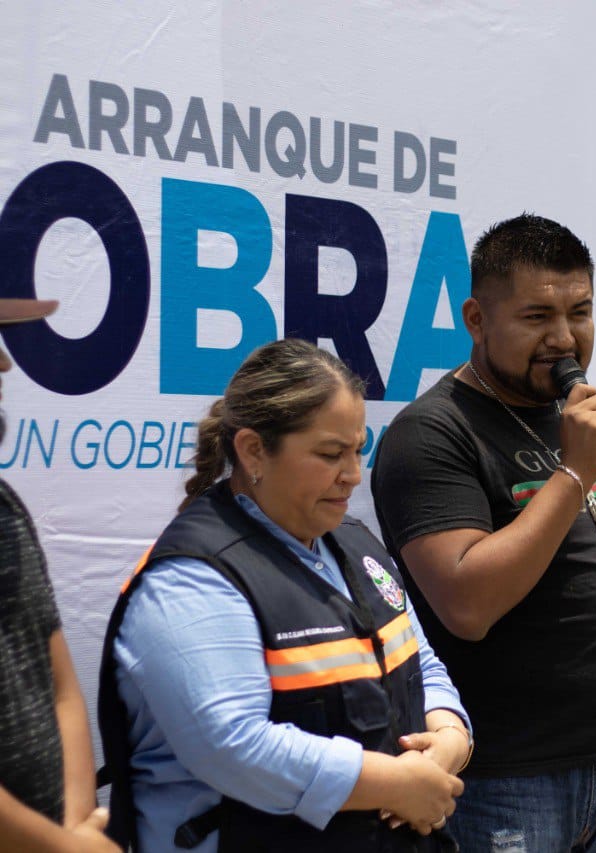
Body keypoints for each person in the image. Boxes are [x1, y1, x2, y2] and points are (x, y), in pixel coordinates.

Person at [97, 339, 470, 853]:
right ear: (253, 450)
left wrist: (449, 739)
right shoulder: (191, 577)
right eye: (330, 454)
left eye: (358, 450)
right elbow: (232, 745)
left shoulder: (354, 542)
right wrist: (394, 784)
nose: (353, 474)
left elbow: (419, 662)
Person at [371, 213, 596, 850]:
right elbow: (467, 605)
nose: (564, 338)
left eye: (580, 313)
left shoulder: (578, 419)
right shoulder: (432, 434)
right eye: (537, 317)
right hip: (500, 782)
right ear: (476, 319)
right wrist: (572, 473)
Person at [0, 297, 119, 852]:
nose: (6, 364)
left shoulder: (5, 507)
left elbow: (60, 686)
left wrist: (77, 823)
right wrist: (65, 847)